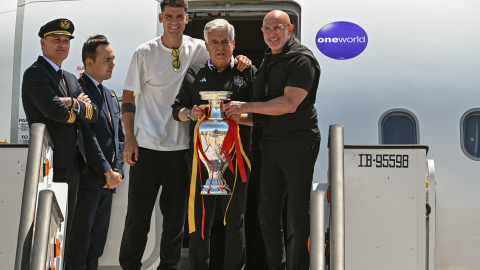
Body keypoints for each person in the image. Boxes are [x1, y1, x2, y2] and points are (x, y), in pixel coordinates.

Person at [119, 1, 251, 269]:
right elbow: (128, 97)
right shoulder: (144, 52)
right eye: (169, 16)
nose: (174, 22)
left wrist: (242, 59)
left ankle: (169, 267)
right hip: (146, 147)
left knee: (176, 221)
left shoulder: (199, 48)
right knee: (137, 217)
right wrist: (130, 139)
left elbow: (222, 51)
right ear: (161, 18)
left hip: (183, 152)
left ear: (187, 18)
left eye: (179, 16)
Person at [223, 10, 321, 270]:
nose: (272, 34)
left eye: (278, 27)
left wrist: (246, 105)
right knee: (266, 213)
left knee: (298, 213)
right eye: (267, 29)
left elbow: (288, 104)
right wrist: (233, 117)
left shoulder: (301, 60)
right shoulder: (269, 59)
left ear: (290, 29)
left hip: (299, 142)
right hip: (271, 143)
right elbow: (263, 116)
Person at [171, 18, 254, 270]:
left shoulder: (247, 72)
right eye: (215, 42)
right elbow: (177, 110)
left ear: (234, 44)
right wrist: (190, 114)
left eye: (225, 42)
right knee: (199, 220)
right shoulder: (195, 73)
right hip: (200, 160)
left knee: (235, 220)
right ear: (206, 45)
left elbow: (263, 115)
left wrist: (240, 116)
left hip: (237, 159)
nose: (220, 47)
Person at [21, 18, 98, 246]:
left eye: (66, 41)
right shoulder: (36, 74)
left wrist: (72, 103)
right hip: (50, 162)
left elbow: (93, 113)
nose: (62, 44)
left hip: (72, 162)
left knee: (64, 231)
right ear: (43, 43)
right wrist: (76, 107)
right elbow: (57, 113)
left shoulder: (71, 78)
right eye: (56, 40)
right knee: (47, 230)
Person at [65, 34, 125, 270]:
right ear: (89, 63)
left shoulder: (110, 95)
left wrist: (117, 170)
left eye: (113, 59)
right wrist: (105, 170)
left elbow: (120, 136)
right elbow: (86, 136)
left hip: (108, 184)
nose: (112, 64)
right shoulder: (79, 91)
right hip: (87, 180)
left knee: (96, 246)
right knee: (79, 244)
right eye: (106, 59)